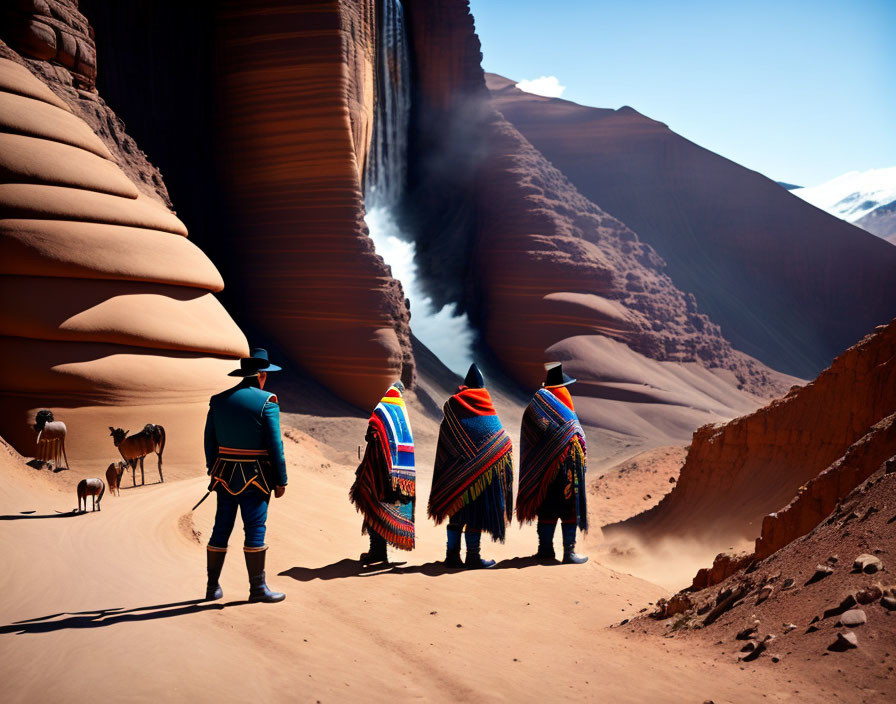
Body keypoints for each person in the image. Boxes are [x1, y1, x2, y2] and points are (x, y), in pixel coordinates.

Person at [203, 348, 289, 602]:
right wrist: (280, 480)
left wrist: (214, 470)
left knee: (221, 527)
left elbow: (209, 441)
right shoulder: (267, 402)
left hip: (223, 476)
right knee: (254, 527)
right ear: (261, 375)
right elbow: (276, 446)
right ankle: (257, 589)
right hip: (256, 477)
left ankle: (211, 588)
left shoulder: (218, 400)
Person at [428, 363, 513, 569]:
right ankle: (473, 557)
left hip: (455, 471)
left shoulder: (452, 406)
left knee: (456, 514)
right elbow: (497, 436)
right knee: (475, 513)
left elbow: (445, 441)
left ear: (465, 386)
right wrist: (499, 451)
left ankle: (452, 556)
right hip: (482, 471)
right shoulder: (485, 403)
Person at [517, 362, 588, 564]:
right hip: (567, 466)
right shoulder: (563, 397)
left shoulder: (536, 404)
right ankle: (569, 552)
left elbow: (531, 436)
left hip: (542, 468)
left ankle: (545, 550)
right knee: (569, 508)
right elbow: (572, 430)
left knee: (546, 506)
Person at [349, 381, 415, 565]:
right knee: (383, 507)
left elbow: (372, 433)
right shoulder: (401, 414)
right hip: (396, 473)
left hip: (375, 469)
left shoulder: (381, 410)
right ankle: (379, 552)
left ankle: (377, 552)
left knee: (372, 507)